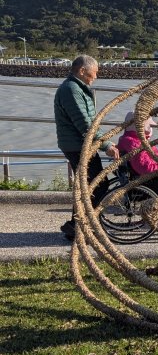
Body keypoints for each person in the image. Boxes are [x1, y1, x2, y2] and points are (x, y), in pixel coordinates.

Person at [54, 55, 120, 240]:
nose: (96, 76)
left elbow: (89, 123)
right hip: (77, 145)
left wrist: (104, 141)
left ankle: (77, 225)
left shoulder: (75, 88)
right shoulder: (71, 90)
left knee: (88, 186)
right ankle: (79, 226)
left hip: (79, 144)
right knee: (97, 184)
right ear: (82, 70)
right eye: (94, 72)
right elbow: (84, 124)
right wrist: (106, 145)